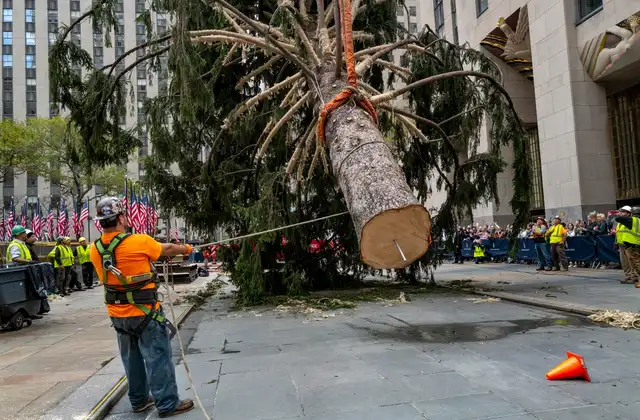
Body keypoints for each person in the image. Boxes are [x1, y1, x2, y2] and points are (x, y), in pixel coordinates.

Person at [89, 197, 194, 417]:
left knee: (132, 359)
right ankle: (167, 403)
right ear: (120, 218)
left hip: (118, 315)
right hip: (144, 313)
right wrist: (186, 248)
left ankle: (138, 400)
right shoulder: (138, 241)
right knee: (157, 357)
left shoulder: (95, 249)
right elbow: (166, 248)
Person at [614, 205, 640, 285]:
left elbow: (617, 218)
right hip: (625, 244)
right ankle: (631, 276)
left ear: (630, 213)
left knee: (635, 263)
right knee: (630, 263)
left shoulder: (632, 220)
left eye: (623, 212)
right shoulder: (626, 222)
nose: (621, 213)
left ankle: (634, 277)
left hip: (632, 244)